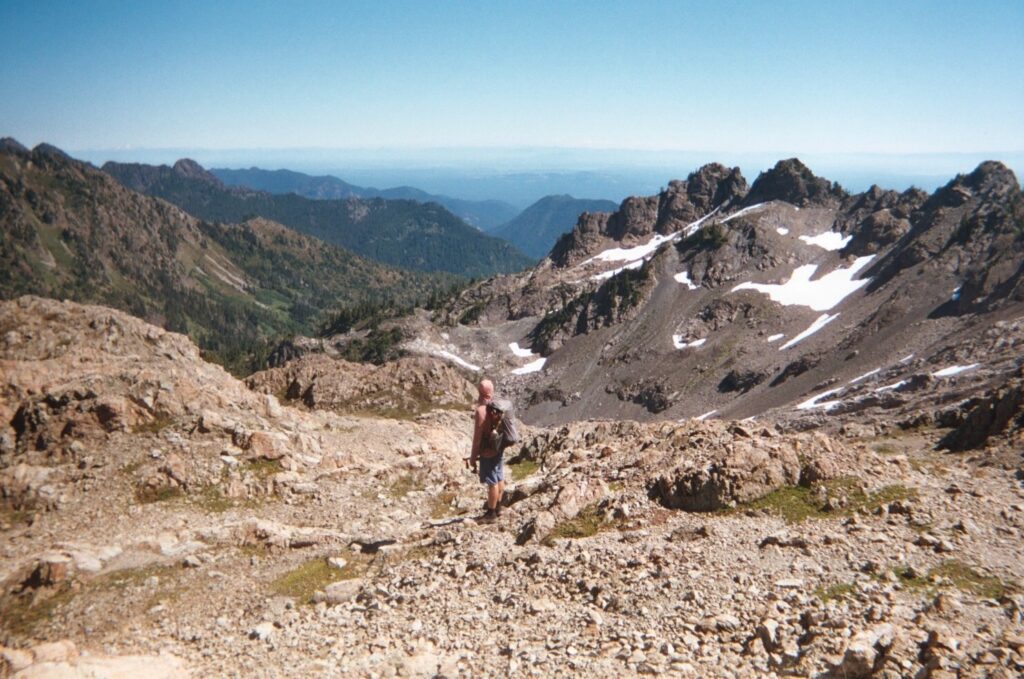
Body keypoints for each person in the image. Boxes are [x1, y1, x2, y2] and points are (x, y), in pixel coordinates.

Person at [468, 379, 505, 522]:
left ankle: (491, 513)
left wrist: (473, 457)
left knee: (492, 481)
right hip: (499, 446)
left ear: (480, 392)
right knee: (499, 476)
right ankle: (499, 507)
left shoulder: (481, 411)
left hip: (487, 451)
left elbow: (477, 437)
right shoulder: (499, 406)